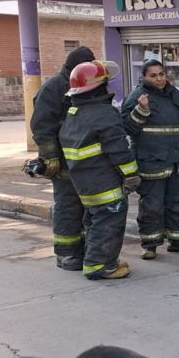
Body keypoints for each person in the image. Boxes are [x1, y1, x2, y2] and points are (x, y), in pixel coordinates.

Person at [59, 61, 140, 280]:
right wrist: (131, 175)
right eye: (105, 82)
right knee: (110, 220)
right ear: (99, 86)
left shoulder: (74, 113)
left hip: (83, 183)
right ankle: (99, 265)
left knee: (94, 220)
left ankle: (93, 257)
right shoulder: (103, 113)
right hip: (104, 181)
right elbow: (118, 149)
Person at [120, 59, 179, 260]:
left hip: (176, 160)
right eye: (153, 75)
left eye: (161, 74)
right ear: (143, 77)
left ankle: (178, 241)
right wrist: (141, 111)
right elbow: (127, 128)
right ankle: (150, 245)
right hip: (151, 161)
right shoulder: (137, 97)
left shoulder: (173, 94)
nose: (159, 79)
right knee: (152, 206)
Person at [29, 46, 96, 271]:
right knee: (68, 207)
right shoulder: (54, 88)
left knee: (87, 207)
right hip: (64, 161)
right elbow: (41, 126)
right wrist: (50, 157)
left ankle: (86, 249)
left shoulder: (85, 85)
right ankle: (66, 254)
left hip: (85, 161)